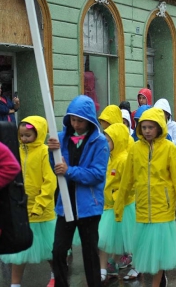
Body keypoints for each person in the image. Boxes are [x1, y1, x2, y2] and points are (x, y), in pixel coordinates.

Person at [116, 107, 176, 286]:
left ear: (159, 127)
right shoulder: (135, 149)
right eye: (144, 127)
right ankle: (159, 279)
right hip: (142, 210)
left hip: (162, 210)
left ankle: (156, 283)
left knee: (158, 255)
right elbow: (126, 180)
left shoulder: (170, 149)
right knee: (146, 254)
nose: (147, 131)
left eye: (151, 127)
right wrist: (118, 207)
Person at [48, 95, 109, 287]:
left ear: (89, 119)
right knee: (58, 250)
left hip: (89, 206)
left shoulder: (99, 142)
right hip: (64, 204)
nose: (76, 124)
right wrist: (52, 154)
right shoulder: (60, 138)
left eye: (80, 120)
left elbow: (97, 174)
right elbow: (57, 169)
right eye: (72, 119)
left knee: (90, 253)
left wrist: (70, 171)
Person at [0, 116, 57, 287]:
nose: (24, 139)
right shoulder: (15, 150)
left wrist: (40, 204)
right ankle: (15, 284)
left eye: (28, 135)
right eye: (22, 135)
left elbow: (50, 181)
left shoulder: (44, 152)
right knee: (19, 252)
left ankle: (56, 275)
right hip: (21, 210)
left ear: (38, 134)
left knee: (50, 250)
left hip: (42, 212)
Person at [98, 123, 137, 282]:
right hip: (108, 206)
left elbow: (131, 183)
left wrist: (117, 196)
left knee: (124, 239)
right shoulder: (110, 158)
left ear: (118, 140)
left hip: (123, 206)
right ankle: (105, 267)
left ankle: (128, 265)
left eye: (108, 140)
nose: (105, 144)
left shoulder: (123, 159)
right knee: (104, 240)